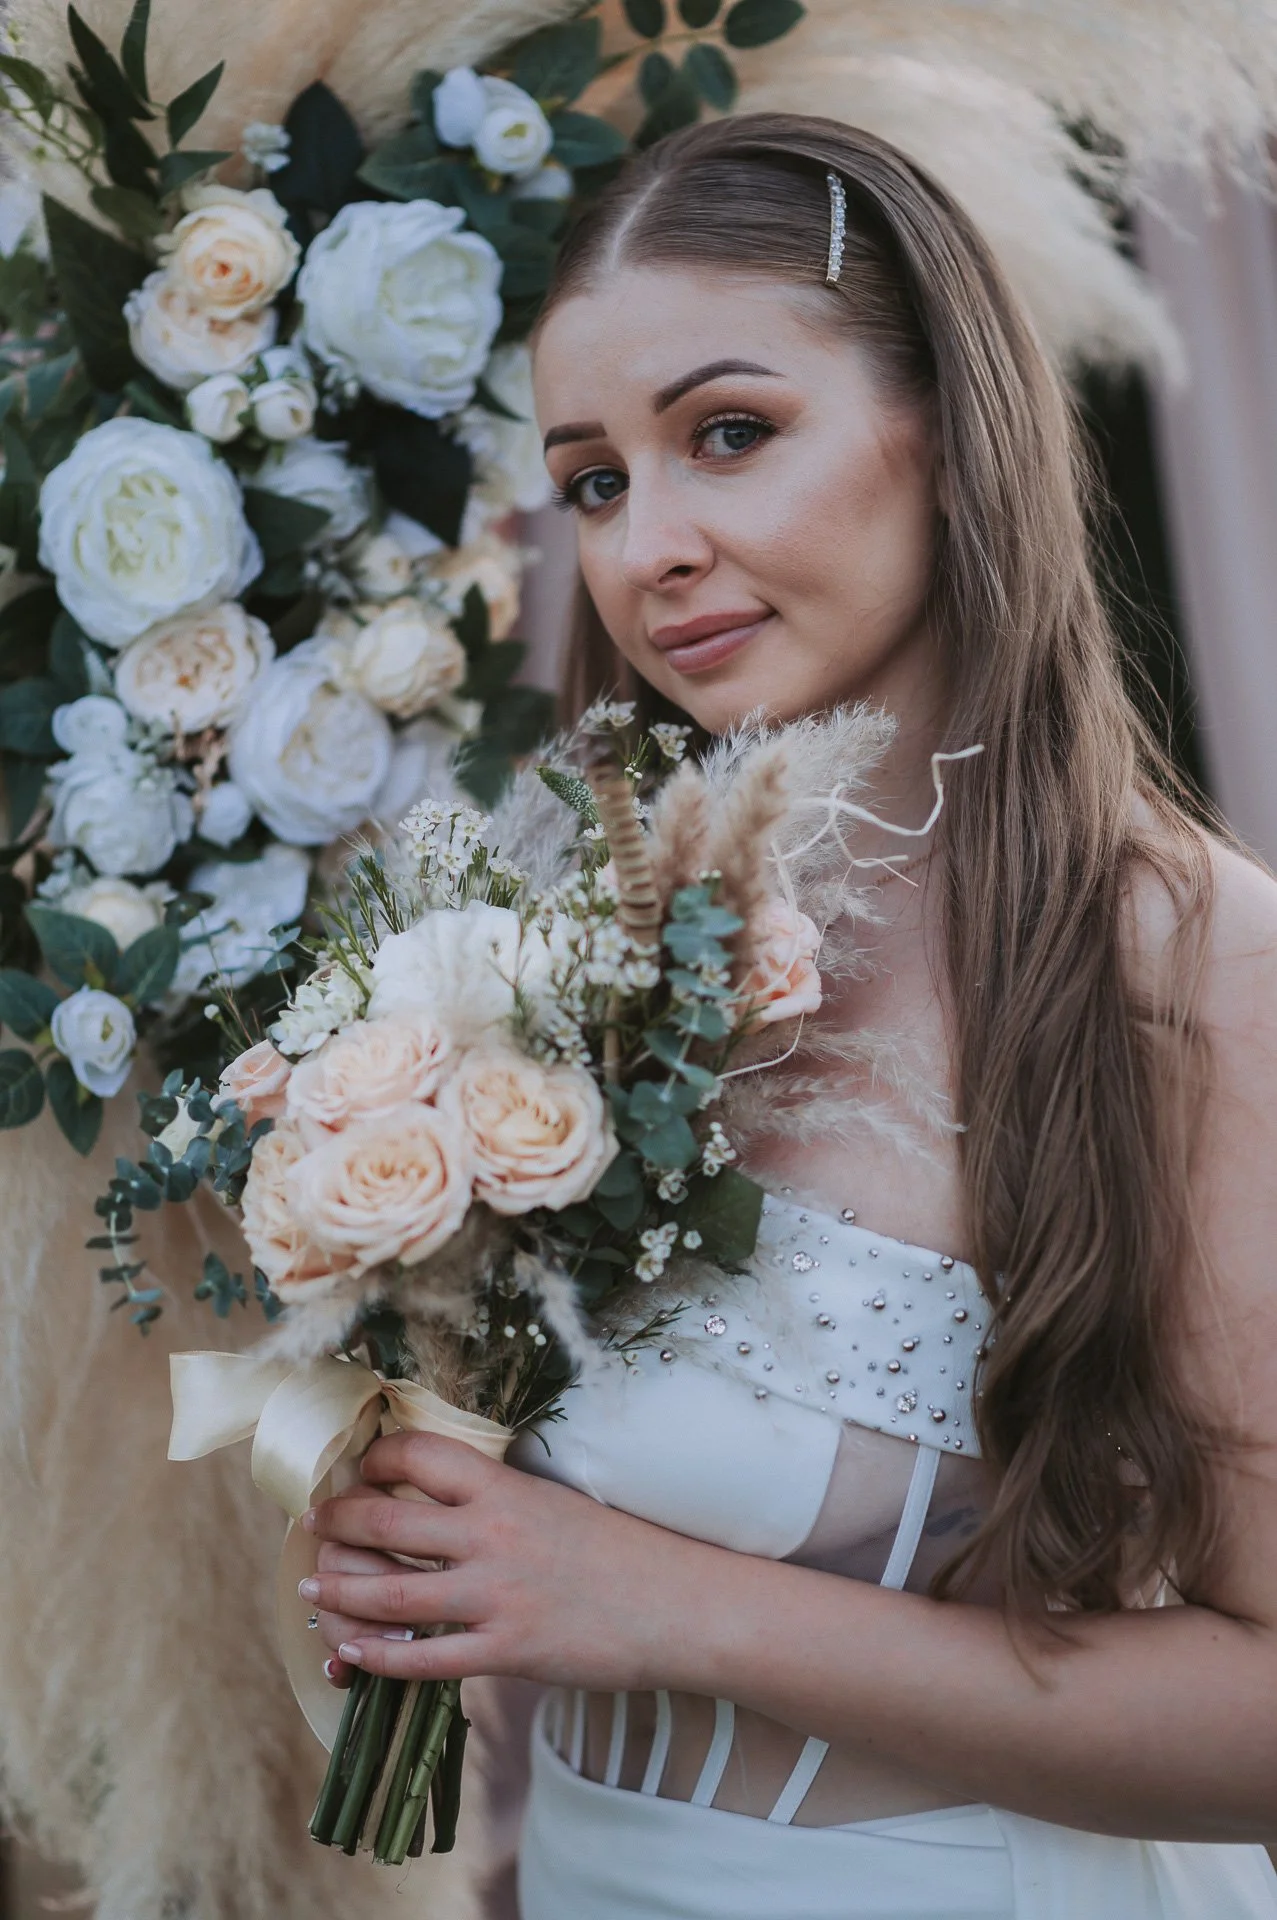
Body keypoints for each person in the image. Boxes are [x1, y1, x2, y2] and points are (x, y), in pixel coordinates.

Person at [299, 115, 1277, 1917]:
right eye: (593, 481)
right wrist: (419, 1497)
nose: (648, 546)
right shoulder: (586, 925)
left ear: (952, 437)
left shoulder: (1183, 961)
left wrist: (645, 1598)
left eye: (729, 435)